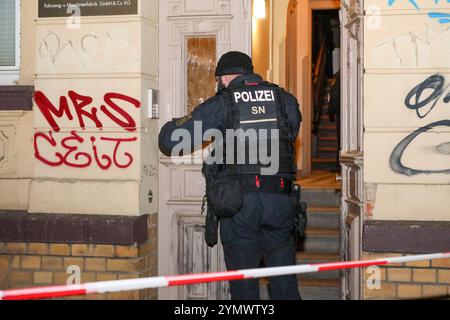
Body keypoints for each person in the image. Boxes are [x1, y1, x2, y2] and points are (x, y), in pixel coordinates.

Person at [159, 51, 302, 300]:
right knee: (285, 285)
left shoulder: (223, 102)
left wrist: (180, 121)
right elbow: (289, 135)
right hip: (280, 200)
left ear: (223, 78)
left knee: (244, 288)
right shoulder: (285, 99)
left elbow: (170, 140)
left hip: (240, 205)